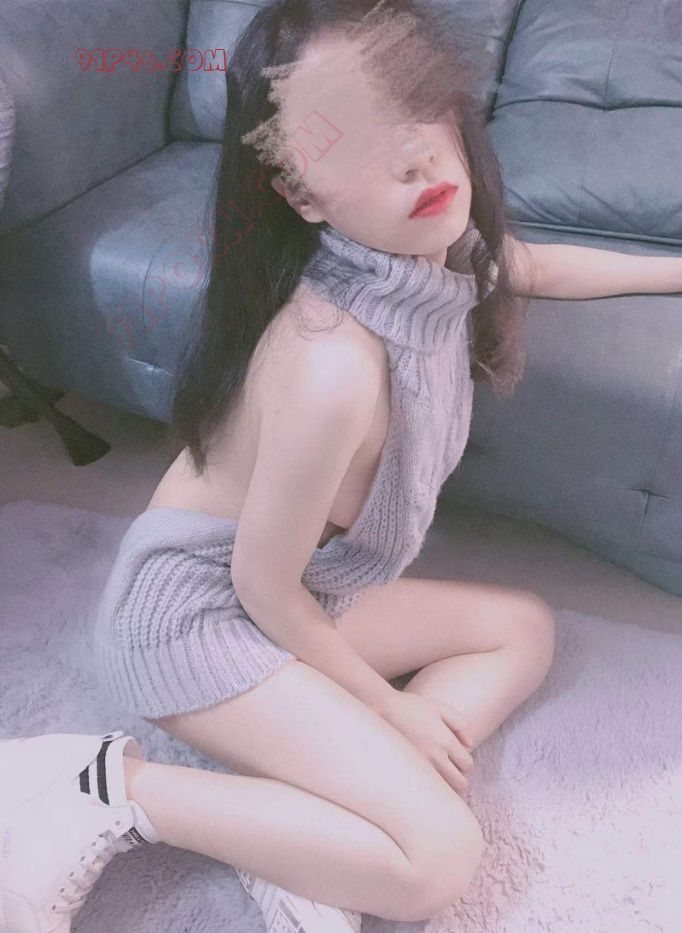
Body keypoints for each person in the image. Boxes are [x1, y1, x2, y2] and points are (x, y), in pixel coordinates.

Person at [1, 1, 565, 930]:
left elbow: (531, 265)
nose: (414, 156)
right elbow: (260, 587)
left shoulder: (429, 253)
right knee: (437, 860)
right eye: (351, 136)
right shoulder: (331, 364)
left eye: (415, 104)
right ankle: (98, 784)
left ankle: (310, 828)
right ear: (301, 193)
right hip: (192, 618)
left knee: (523, 627)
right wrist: (391, 711)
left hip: (300, 589)